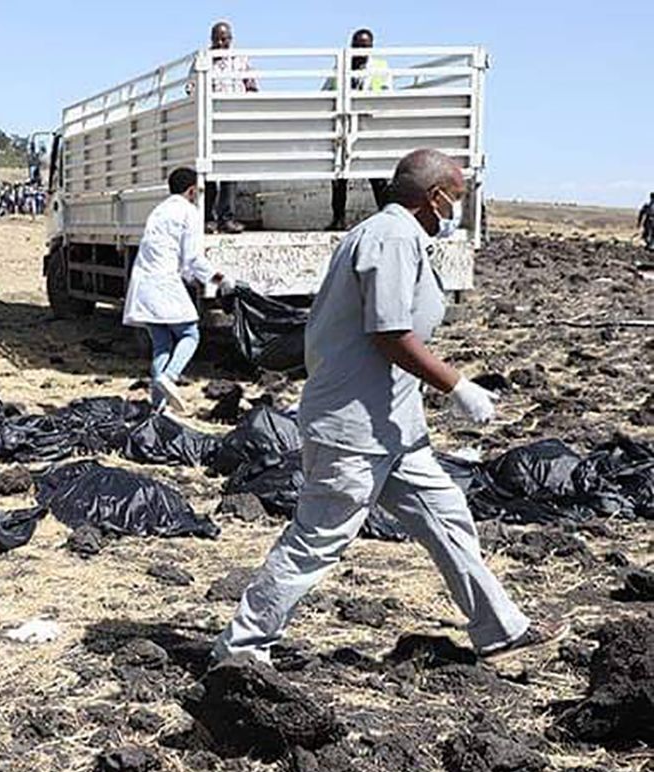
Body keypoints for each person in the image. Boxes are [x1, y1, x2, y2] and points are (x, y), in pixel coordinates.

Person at [213, 149, 566, 667]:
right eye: (457, 200)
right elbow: (390, 333)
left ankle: (500, 628)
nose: (458, 212)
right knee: (317, 539)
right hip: (353, 428)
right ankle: (241, 647)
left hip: (395, 426)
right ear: (435, 197)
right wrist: (458, 385)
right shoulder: (392, 238)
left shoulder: (396, 236)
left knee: (447, 517)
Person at [123, 166, 233, 413]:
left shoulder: (160, 210)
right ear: (192, 190)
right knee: (190, 334)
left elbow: (177, 257)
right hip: (163, 282)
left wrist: (189, 275)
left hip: (144, 283)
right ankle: (170, 376)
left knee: (162, 344)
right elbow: (193, 258)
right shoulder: (189, 212)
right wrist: (220, 279)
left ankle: (157, 407)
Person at [326, 29, 392, 230]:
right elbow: (327, 91)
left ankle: (388, 217)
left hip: (368, 129)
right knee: (339, 176)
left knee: (377, 177)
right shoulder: (341, 66)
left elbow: (388, 95)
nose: (361, 50)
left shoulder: (381, 68)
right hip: (345, 128)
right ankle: (338, 219)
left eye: (365, 46)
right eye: (358, 45)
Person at [206, 20, 256, 234]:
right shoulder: (204, 60)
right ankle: (208, 218)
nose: (220, 42)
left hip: (233, 121)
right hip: (210, 121)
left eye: (224, 39)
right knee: (208, 174)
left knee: (230, 173)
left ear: (230, 39)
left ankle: (227, 219)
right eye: (216, 38)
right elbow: (191, 89)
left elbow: (252, 87)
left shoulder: (241, 59)